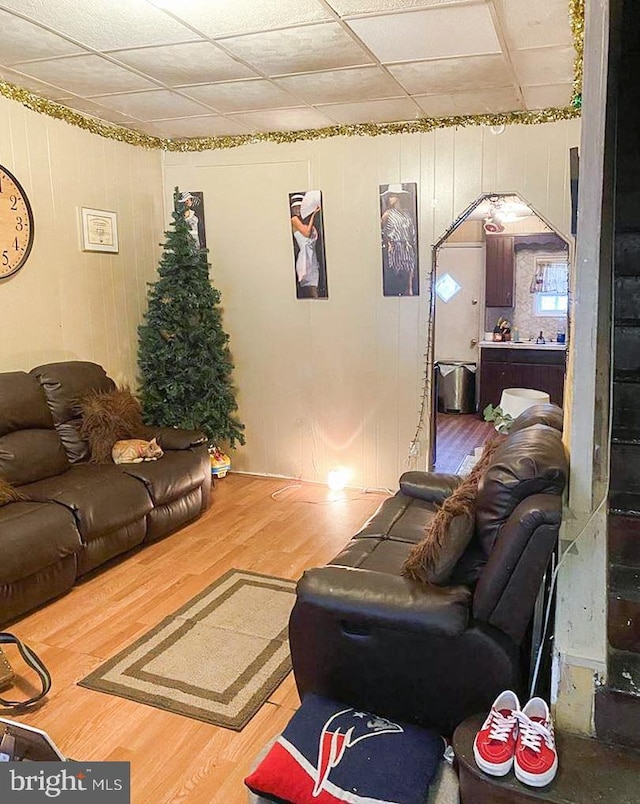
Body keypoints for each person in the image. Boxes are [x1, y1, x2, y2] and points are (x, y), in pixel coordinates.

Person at [380, 184, 418, 296]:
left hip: (407, 245)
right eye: (389, 196)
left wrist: (413, 243)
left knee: (410, 266)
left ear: (398, 197)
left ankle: (409, 288)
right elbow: (381, 231)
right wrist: (387, 242)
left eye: (392, 196)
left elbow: (411, 231)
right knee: (396, 271)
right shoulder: (387, 215)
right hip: (395, 246)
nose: (390, 198)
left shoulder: (407, 214)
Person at [290, 193, 322, 298]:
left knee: (314, 292)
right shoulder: (294, 220)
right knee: (310, 293)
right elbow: (307, 233)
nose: (297, 209)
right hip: (304, 261)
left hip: (312, 261)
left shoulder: (306, 222)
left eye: (299, 207)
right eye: (295, 207)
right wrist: (313, 215)